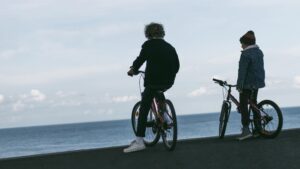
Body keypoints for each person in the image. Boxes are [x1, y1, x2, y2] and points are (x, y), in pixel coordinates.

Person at [124, 22, 180, 153]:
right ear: (162, 33)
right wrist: (169, 75)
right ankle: (165, 116)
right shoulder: (170, 47)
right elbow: (177, 66)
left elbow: (141, 59)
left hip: (153, 81)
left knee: (144, 108)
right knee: (159, 92)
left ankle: (139, 141)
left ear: (148, 34)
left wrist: (133, 69)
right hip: (168, 81)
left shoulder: (148, 45)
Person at [236, 30, 265, 140]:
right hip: (257, 82)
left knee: (243, 104)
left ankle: (246, 130)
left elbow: (242, 72)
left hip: (247, 84)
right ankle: (258, 129)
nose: (241, 45)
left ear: (246, 43)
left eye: (242, 43)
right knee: (253, 103)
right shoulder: (259, 52)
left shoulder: (245, 54)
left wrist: (239, 85)